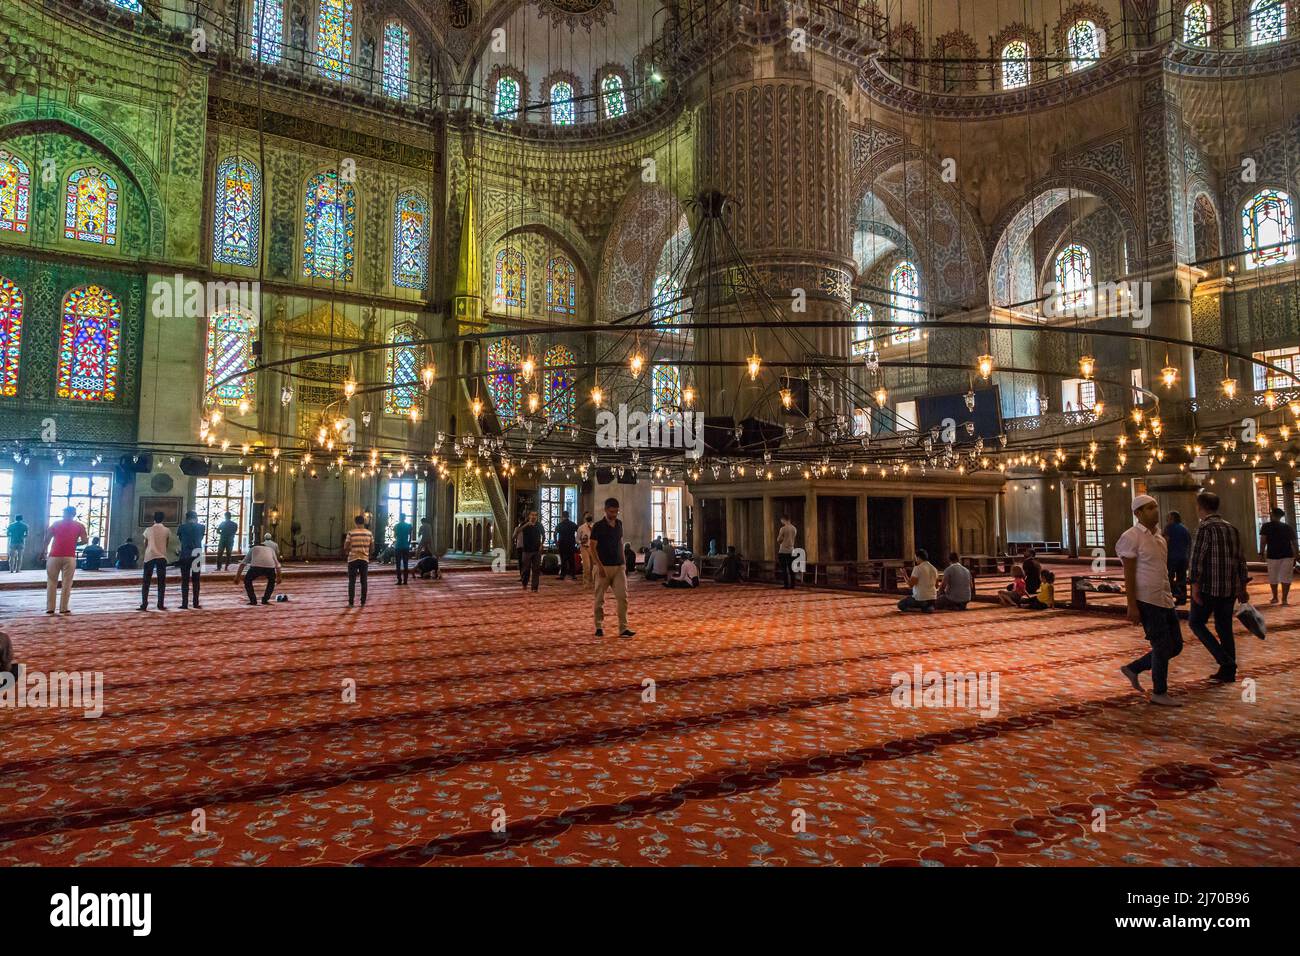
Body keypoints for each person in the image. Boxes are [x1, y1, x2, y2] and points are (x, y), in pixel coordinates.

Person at [1117, 494, 1184, 707]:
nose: (1155, 511)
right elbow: (1129, 574)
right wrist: (1132, 605)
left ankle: (1134, 668)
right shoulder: (1131, 537)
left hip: (1164, 597)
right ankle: (1159, 692)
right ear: (1138, 513)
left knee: (1176, 645)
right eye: (1149, 508)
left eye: (1155, 507)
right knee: (1161, 644)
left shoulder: (1160, 538)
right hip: (1146, 599)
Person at [1187, 490, 1249, 683]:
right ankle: (1228, 672)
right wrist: (1242, 586)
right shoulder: (1232, 528)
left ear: (1200, 507)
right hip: (1229, 588)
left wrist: (1194, 586)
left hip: (1208, 588)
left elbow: (1197, 559)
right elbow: (1241, 559)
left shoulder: (1204, 528)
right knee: (1224, 628)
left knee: (1196, 623)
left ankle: (1226, 662)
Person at [591, 497, 633, 638]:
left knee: (623, 597)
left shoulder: (619, 524)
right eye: (611, 512)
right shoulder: (598, 526)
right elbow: (592, 548)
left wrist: (624, 562)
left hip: (618, 567)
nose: (614, 514)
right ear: (605, 510)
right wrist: (599, 566)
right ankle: (598, 626)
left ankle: (623, 628)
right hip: (603, 567)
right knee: (599, 599)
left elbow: (620, 542)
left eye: (616, 512)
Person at [43, 507, 86, 615]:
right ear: (74, 514)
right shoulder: (79, 525)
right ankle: (63, 608)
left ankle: (50, 608)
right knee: (67, 583)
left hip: (54, 556)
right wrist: (74, 543)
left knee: (52, 582)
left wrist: (42, 552)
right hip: (70, 557)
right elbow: (85, 540)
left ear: (64, 513)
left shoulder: (56, 524)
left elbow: (47, 539)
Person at [1258, 507, 1297, 606]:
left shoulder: (1266, 526)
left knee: (1273, 577)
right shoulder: (1288, 527)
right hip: (1287, 554)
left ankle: (1275, 597)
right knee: (1286, 578)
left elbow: (1263, 541)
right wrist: (1296, 555)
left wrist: (1261, 553)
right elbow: (1294, 542)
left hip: (1272, 555)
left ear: (1273, 515)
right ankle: (1284, 600)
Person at [139, 511, 171, 611]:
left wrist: (147, 551)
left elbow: (145, 543)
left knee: (146, 582)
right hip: (162, 557)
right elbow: (167, 544)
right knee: (161, 582)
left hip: (150, 556)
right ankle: (160, 604)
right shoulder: (167, 530)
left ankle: (144, 604)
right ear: (163, 519)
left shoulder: (148, 530)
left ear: (154, 519)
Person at [236, 537, 282, 605]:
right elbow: (278, 565)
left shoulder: (253, 548)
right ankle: (265, 600)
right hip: (270, 567)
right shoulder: (270, 549)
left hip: (256, 567)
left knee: (247, 581)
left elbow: (243, 564)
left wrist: (237, 577)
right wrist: (279, 577)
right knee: (271, 581)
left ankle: (253, 600)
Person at [176, 510, 206, 609]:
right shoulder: (202, 527)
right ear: (196, 518)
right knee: (196, 580)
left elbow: (181, 539)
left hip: (185, 555)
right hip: (197, 554)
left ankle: (184, 604)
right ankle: (195, 603)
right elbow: (200, 538)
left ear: (186, 518)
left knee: (185, 580)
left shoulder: (182, 527)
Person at [344, 514, 373, 607]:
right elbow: (372, 547)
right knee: (364, 581)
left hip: (353, 559)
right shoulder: (369, 533)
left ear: (355, 522)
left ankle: (351, 603)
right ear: (364, 522)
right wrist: (368, 554)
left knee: (352, 581)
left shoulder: (351, 533)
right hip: (364, 559)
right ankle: (363, 602)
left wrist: (349, 551)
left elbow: (345, 546)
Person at [1164, 510, 1191, 605]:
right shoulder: (1185, 529)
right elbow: (1189, 544)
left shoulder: (1169, 527)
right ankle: (1182, 599)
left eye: (1168, 518)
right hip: (1183, 558)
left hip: (1172, 557)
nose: (1167, 520)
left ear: (1172, 518)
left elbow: (1166, 542)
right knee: (1182, 579)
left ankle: (1177, 593)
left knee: (1168, 579)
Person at [898, 549, 939, 613]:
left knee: (901, 604)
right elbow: (936, 586)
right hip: (933, 598)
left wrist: (904, 575)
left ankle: (919, 609)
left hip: (920, 599)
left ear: (918, 557)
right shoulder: (934, 569)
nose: (916, 560)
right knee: (926, 603)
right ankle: (928, 607)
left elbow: (910, 584)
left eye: (916, 558)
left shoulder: (917, 568)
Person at [519, 510, 543, 592]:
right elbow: (518, 531)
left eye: (535, 515)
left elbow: (543, 535)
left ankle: (534, 587)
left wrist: (541, 544)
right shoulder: (524, 524)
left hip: (536, 550)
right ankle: (524, 583)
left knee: (536, 569)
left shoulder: (539, 525)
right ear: (529, 516)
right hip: (526, 550)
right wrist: (526, 524)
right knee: (526, 569)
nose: (534, 517)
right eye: (532, 515)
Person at [555, 510, 578, 580]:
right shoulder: (573, 524)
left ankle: (562, 575)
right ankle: (573, 575)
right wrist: (577, 541)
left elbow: (555, 534)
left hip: (562, 544)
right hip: (571, 544)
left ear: (562, 516)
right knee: (571, 560)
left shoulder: (559, 525)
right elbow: (579, 532)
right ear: (568, 516)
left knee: (563, 560)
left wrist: (556, 542)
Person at [776, 515, 798, 589]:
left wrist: (782, 539)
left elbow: (778, 540)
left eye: (781, 520)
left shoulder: (783, 528)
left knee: (784, 569)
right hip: (791, 550)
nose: (781, 522)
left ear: (784, 519)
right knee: (791, 569)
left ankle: (786, 585)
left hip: (783, 551)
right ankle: (792, 585)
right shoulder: (794, 528)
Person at [392, 513, 413, 585]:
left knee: (398, 564)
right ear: (405, 518)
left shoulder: (396, 526)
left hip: (398, 546)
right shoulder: (409, 526)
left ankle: (399, 580)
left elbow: (395, 536)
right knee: (405, 563)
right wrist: (408, 543)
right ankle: (405, 580)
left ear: (399, 518)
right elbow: (410, 536)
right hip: (406, 546)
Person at [577, 513, 594, 590]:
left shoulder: (595, 527)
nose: (589, 517)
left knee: (594, 566)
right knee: (587, 566)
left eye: (589, 515)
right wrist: (581, 542)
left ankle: (593, 582)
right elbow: (577, 539)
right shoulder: (581, 528)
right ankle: (586, 583)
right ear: (584, 518)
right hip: (584, 548)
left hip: (593, 548)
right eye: (587, 516)